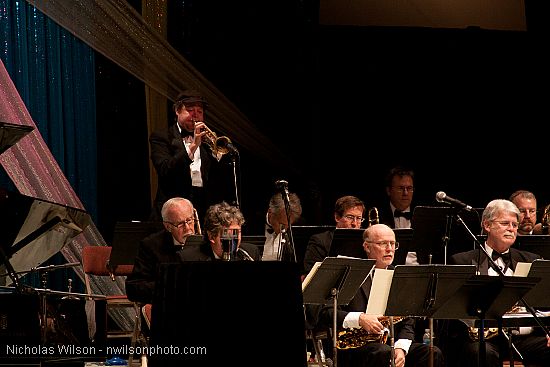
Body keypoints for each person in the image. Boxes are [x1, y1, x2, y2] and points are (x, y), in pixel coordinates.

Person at [309, 224, 444, 367]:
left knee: (432, 352)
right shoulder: (348, 273)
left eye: (392, 244)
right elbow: (325, 312)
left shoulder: (400, 275)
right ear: (367, 247)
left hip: (391, 344)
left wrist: (401, 348)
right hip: (354, 347)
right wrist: (360, 319)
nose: (389, 249)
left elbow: (408, 321)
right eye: (382, 244)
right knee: (383, 352)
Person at [446, 199, 550, 367]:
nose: (511, 229)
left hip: (524, 338)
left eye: (515, 225)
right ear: (487, 225)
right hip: (484, 339)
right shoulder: (462, 261)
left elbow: (543, 304)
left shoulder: (532, 260)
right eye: (505, 223)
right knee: (480, 352)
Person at [126, 198, 260, 304]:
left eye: (190, 221)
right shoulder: (152, 246)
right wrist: (171, 286)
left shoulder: (245, 252)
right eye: (180, 224)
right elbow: (134, 288)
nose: (188, 228)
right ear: (167, 226)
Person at [148, 89, 235, 222]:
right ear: (177, 111)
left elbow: (219, 177)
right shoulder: (162, 137)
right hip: (174, 206)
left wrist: (216, 154)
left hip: (204, 207)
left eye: (199, 112)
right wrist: (194, 146)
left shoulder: (206, 141)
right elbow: (165, 169)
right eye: (190, 110)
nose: (196, 116)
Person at [303, 195, 365, 274]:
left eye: (359, 218)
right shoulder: (319, 241)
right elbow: (311, 273)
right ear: (337, 217)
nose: (354, 223)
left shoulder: (365, 242)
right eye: (350, 217)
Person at [377, 166, 420, 265]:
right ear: (389, 191)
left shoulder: (423, 215)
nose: (405, 193)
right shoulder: (379, 215)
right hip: (390, 268)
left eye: (409, 188)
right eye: (401, 188)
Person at [262, 191, 302, 261]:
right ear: (270, 212)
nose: (285, 229)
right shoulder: (250, 226)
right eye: (282, 224)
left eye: (288, 225)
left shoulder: (294, 235)